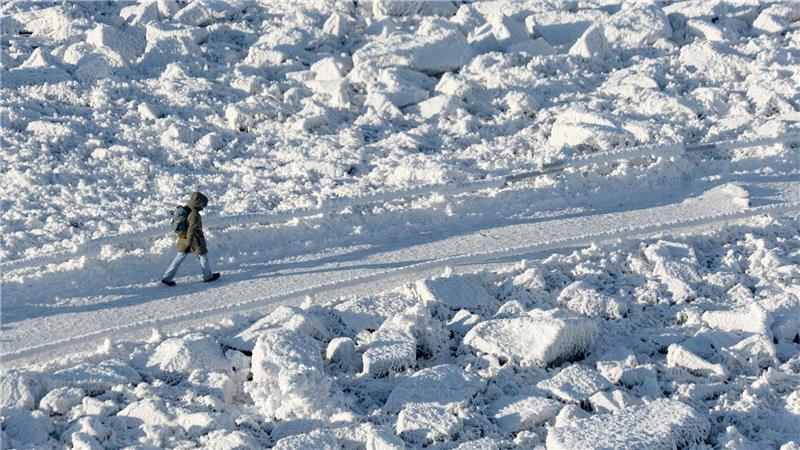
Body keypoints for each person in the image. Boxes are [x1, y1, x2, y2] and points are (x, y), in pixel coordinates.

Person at [161, 191, 220, 286]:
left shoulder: (185, 209)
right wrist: (189, 242)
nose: (203, 208)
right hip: (194, 240)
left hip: (182, 238)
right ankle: (208, 277)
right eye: (203, 205)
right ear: (199, 203)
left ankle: (167, 278)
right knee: (203, 256)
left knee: (179, 258)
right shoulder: (194, 214)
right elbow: (192, 229)